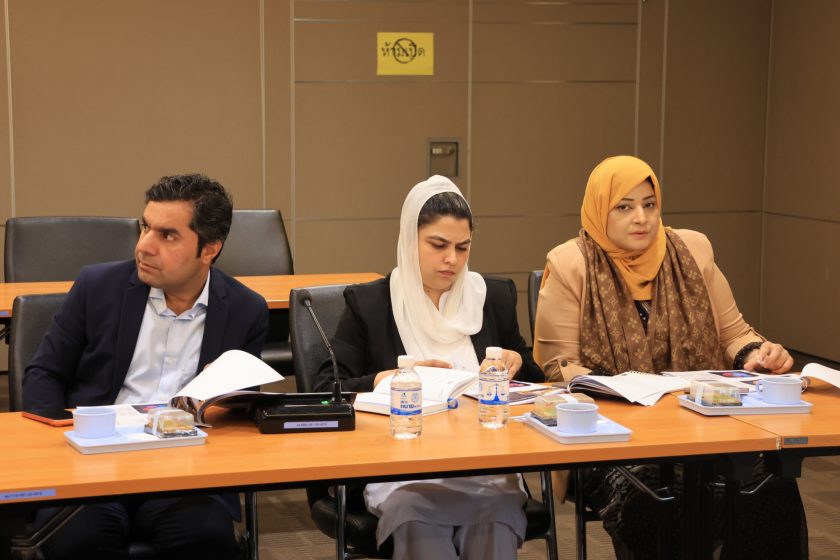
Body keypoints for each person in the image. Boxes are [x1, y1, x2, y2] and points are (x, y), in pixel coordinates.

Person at [534, 155, 807, 559]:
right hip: (612, 438)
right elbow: (559, 367)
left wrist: (758, 354)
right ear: (599, 210)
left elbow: (734, 333)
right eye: (624, 207)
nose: (641, 218)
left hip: (701, 428)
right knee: (657, 498)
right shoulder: (571, 264)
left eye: (649, 204)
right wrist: (626, 391)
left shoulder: (692, 250)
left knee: (772, 485)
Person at [23, 173, 269, 559]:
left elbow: (240, 410)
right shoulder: (97, 286)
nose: (144, 246)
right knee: (80, 540)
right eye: (145, 227)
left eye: (167, 235)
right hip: (93, 462)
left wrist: (216, 404)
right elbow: (44, 374)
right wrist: (61, 450)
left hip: (185, 470)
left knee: (204, 539)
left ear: (209, 249)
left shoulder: (245, 309)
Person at [313, 175, 543, 560]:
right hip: (400, 470)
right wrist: (389, 379)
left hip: (484, 468)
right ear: (409, 240)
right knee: (418, 521)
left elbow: (538, 384)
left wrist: (519, 362)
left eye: (462, 247)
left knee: (493, 516)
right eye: (438, 245)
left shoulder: (492, 298)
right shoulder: (371, 305)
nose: (452, 259)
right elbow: (325, 389)